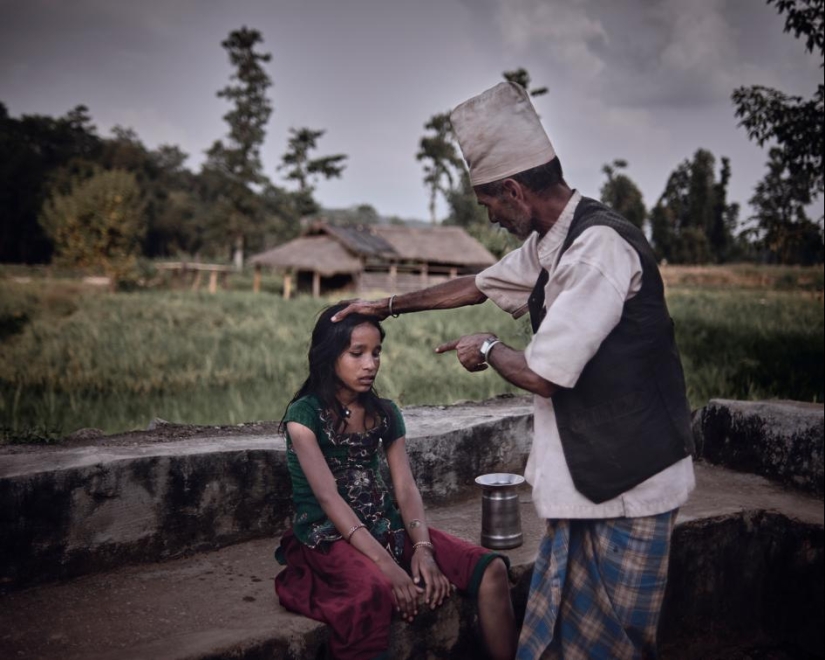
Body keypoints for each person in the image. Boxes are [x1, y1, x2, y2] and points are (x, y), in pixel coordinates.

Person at [332, 82, 696, 659]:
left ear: (514, 190)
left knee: (616, 644)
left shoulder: (596, 249)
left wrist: (488, 348)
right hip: (588, 478)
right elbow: (478, 285)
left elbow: (544, 374)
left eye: (490, 205)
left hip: (632, 485)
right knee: (561, 634)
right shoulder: (553, 240)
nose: (493, 218)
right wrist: (390, 305)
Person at [274, 302, 517, 660]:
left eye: (376, 353)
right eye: (357, 353)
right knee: (371, 593)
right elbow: (328, 498)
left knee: (492, 569)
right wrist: (387, 566)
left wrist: (423, 550)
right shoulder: (304, 415)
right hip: (329, 536)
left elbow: (405, 488)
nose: (370, 364)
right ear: (328, 356)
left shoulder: (384, 413)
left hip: (388, 528)